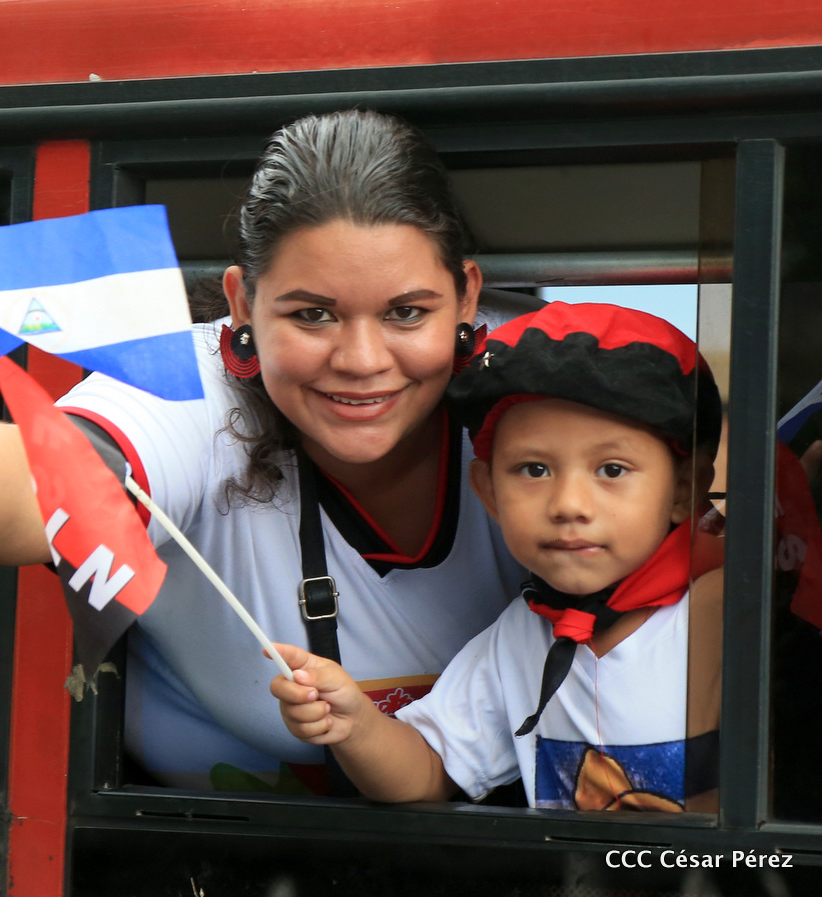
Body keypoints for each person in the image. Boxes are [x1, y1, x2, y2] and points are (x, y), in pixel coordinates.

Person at [0, 109, 531, 794]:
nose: (361, 358)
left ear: (467, 296)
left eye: (406, 313)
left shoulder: (538, 389)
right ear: (242, 304)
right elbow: (47, 475)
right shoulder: (194, 390)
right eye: (311, 314)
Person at [272, 301, 725, 810]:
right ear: (489, 493)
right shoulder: (521, 636)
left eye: (612, 470)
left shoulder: (726, 616)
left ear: (685, 488)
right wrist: (355, 725)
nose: (568, 505)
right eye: (534, 470)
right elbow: (428, 771)